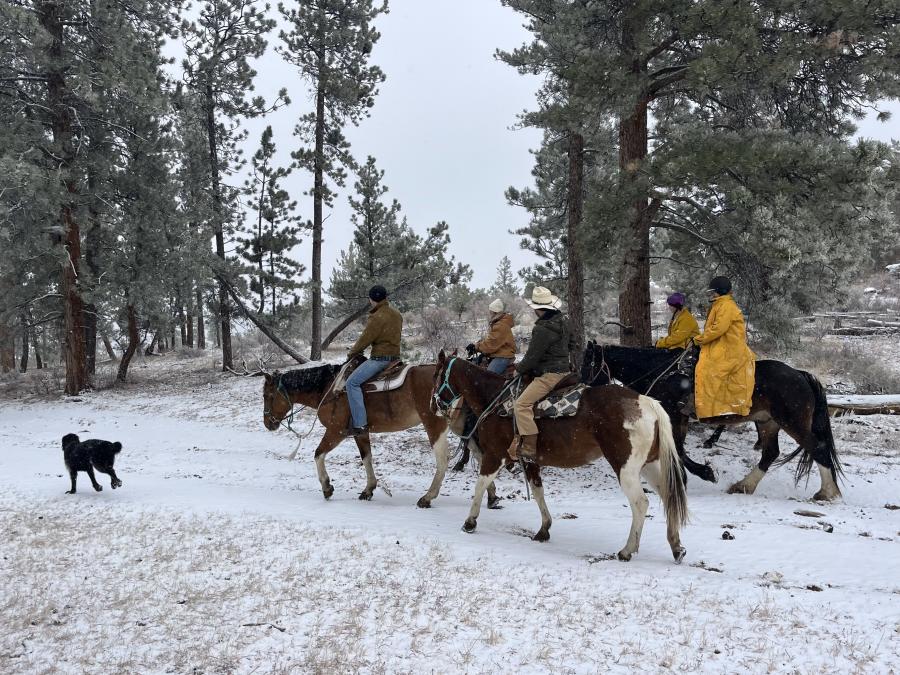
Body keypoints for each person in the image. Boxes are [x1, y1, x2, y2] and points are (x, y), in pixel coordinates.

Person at [508, 286, 571, 461]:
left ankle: (529, 446)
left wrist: (518, 370)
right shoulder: (564, 321)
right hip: (566, 371)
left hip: (550, 375)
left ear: (537, 308)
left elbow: (532, 357)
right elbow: (573, 345)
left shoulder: (542, 329)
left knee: (521, 405)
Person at [692, 276, 755, 420]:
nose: (711, 294)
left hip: (729, 349)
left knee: (708, 371)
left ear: (719, 291)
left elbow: (718, 329)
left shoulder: (726, 306)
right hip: (721, 345)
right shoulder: (719, 304)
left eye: (713, 292)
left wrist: (697, 339)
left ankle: (709, 410)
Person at [345, 285, 403, 436]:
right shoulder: (397, 314)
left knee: (352, 383)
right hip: (395, 358)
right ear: (385, 297)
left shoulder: (377, 317)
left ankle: (360, 424)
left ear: (371, 299)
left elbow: (365, 339)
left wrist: (351, 354)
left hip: (380, 360)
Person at [466, 298, 516, 375]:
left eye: (491, 312)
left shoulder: (500, 325)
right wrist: (476, 344)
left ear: (495, 312)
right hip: (498, 353)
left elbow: (490, 345)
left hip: (502, 356)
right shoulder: (499, 323)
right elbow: (490, 339)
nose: (490, 313)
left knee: (487, 377)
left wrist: (476, 347)